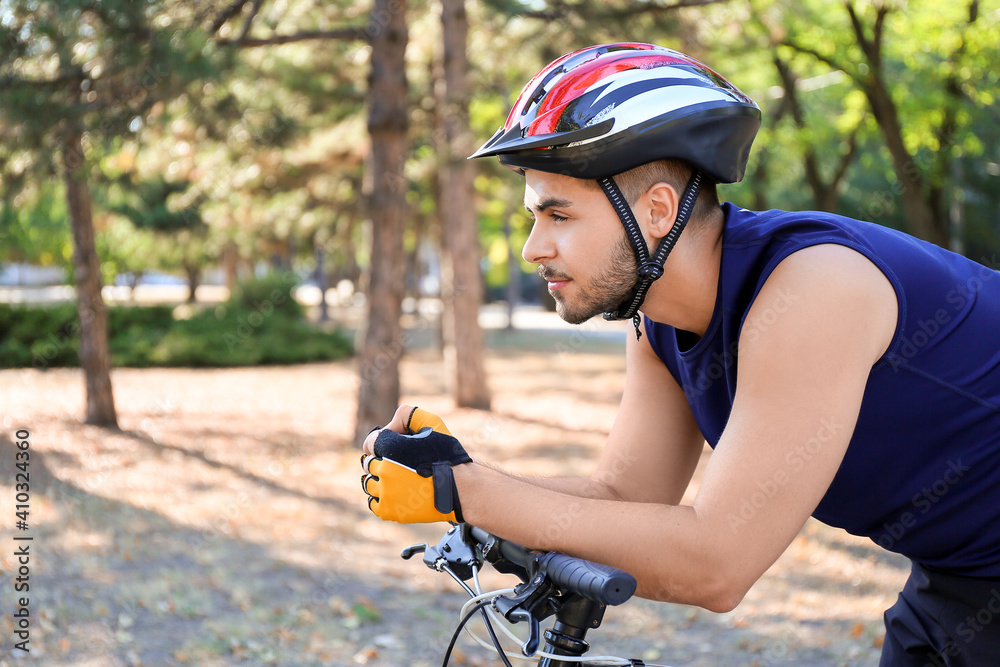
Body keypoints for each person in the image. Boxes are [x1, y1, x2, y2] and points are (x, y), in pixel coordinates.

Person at [360, 43, 1000, 665]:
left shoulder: (813, 289)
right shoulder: (660, 321)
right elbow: (625, 492)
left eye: (558, 216)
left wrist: (467, 492)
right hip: (962, 576)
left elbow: (715, 565)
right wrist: (459, 473)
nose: (533, 248)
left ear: (656, 210)